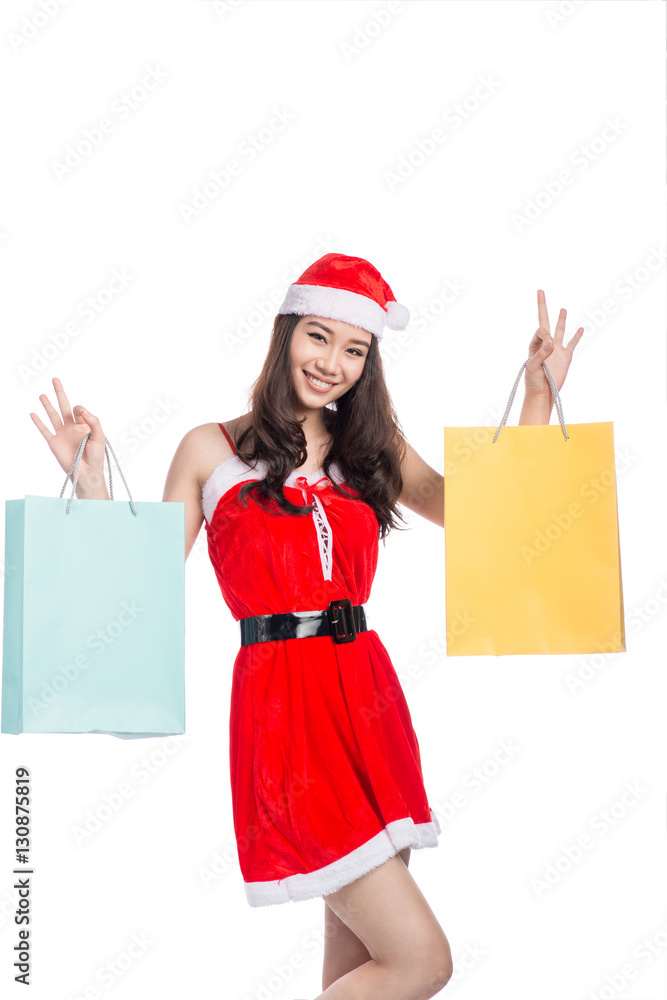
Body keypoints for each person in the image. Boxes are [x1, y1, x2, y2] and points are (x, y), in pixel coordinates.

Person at [30, 253, 582, 999]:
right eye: (318, 338)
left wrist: (538, 400)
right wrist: (93, 485)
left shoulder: (369, 443)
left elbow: (477, 515)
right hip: (287, 714)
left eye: (355, 349)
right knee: (421, 962)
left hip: (369, 701)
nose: (333, 364)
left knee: (358, 971)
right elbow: (144, 588)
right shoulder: (209, 450)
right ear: (286, 332)